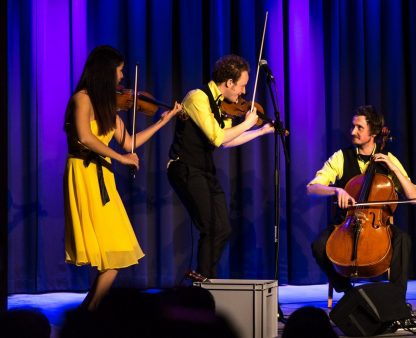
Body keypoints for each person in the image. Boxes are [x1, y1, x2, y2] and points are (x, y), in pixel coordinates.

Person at [63, 45, 182, 310]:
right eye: (119, 71)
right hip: (84, 174)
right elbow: (85, 136)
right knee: (114, 258)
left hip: (103, 177)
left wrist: (163, 121)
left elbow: (130, 143)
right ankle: (88, 316)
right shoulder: (82, 98)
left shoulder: (109, 109)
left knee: (116, 256)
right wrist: (121, 158)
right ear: (106, 72)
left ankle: (85, 314)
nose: (121, 77)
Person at [167, 54, 274, 281]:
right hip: (184, 167)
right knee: (209, 226)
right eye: (242, 86)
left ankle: (205, 278)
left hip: (204, 171)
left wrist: (260, 131)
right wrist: (246, 123)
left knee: (223, 228)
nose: (244, 92)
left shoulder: (222, 106)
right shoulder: (198, 98)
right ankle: (205, 282)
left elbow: (226, 140)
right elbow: (216, 138)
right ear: (228, 83)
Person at [307, 105, 416, 295]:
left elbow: (414, 198)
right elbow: (312, 188)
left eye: (359, 128)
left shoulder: (389, 159)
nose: (353, 132)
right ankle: (347, 291)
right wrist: (336, 191)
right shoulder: (341, 157)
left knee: (403, 240)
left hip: (378, 225)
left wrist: (394, 169)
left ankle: (396, 298)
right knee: (318, 246)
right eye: (353, 126)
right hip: (346, 223)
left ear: (374, 132)